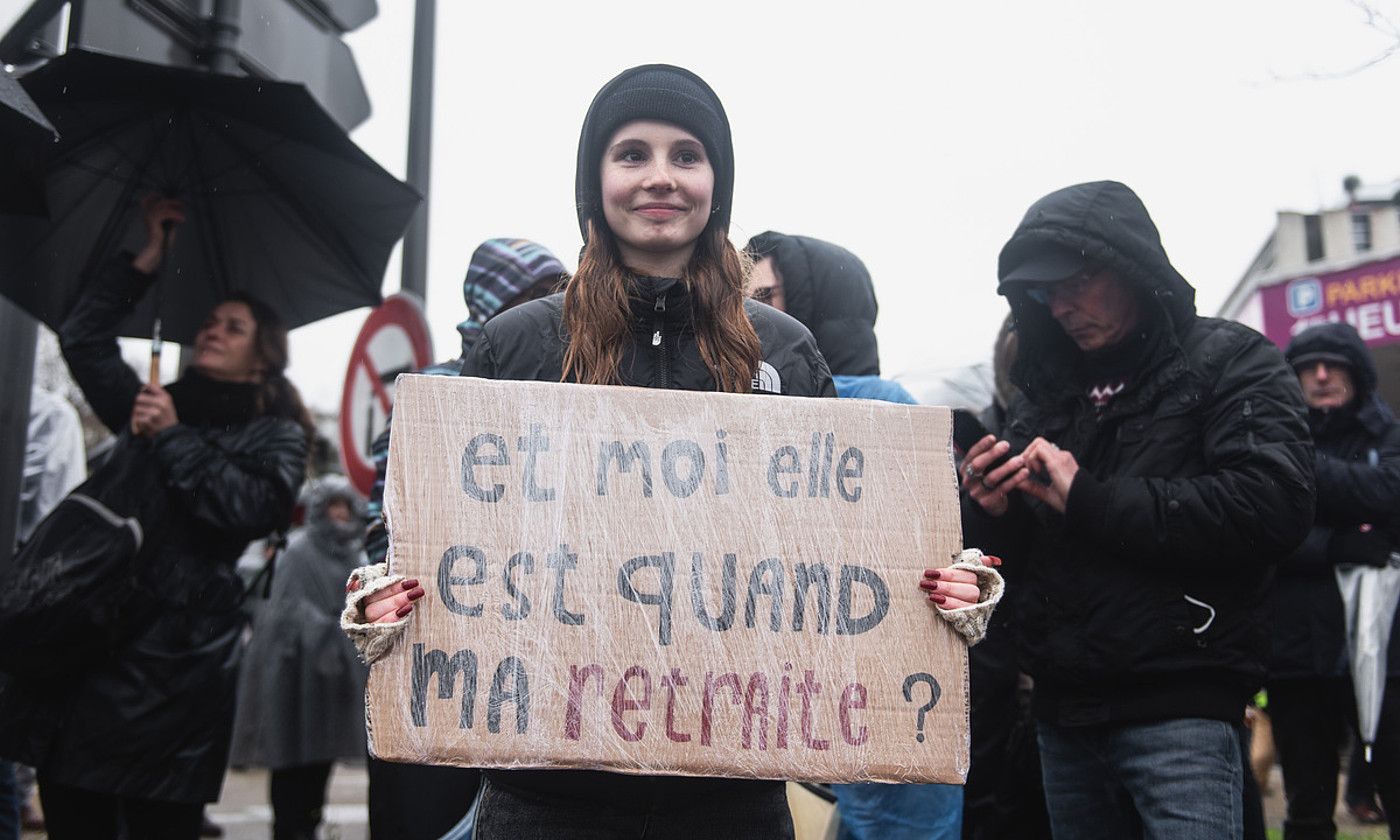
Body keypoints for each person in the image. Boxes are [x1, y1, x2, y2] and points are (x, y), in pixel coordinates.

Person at [343, 64, 997, 839]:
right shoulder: (518, 344)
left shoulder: (785, 351)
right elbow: (427, 541)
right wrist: (380, 602)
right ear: (595, 180)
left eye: (687, 155)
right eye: (632, 155)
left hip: (730, 802)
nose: (661, 177)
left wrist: (945, 595)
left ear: (718, 182)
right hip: (544, 802)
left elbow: (842, 553)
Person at [958, 180, 1314, 840]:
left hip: (1182, 706)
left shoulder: (1231, 360)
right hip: (1064, 715)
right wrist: (993, 510)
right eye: (1043, 292)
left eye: (1076, 281)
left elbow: (1275, 505)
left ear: (1127, 266)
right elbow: (1025, 554)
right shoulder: (1048, 392)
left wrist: (1088, 498)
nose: (1060, 305)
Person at [0, 195, 311, 840]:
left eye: (232, 326)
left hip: (175, 678)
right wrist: (143, 262)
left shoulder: (274, 432)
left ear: (263, 355)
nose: (211, 330)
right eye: (210, 321)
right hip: (91, 653)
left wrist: (172, 438)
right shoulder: (156, 402)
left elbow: (249, 509)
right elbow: (82, 341)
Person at [744, 230, 964, 839]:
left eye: (767, 296)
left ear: (816, 306)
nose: (752, 314)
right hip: (779, 677)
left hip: (875, 674)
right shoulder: (740, 407)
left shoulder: (884, 408)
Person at [360, 236, 564, 840]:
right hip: (439, 659)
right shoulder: (431, 396)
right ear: (493, 306)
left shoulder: (567, 399)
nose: (550, 313)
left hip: (530, 669)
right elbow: (387, 525)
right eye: (533, 298)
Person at [1265, 321, 1400, 840]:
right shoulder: (1277, 443)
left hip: (1385, 653)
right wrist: (1340, 543)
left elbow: (1392, 495)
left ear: (1356, 372)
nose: (1320, 376)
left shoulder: (1385, 436)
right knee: (1307, 804)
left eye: (1333, 364)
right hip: (1297, 653)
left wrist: (1308, 483)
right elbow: (1267, 532)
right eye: (1307, 367)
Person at [230, 475, 369, 840]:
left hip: (331, 682)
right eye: (332, 506)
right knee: (291, 762)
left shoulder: (355, 556)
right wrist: (328, 633)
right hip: (294, 677)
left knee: (318, 765)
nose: (340, 514)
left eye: (345, 506)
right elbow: (286, 611)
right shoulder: (297, 551)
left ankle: (306, 826)